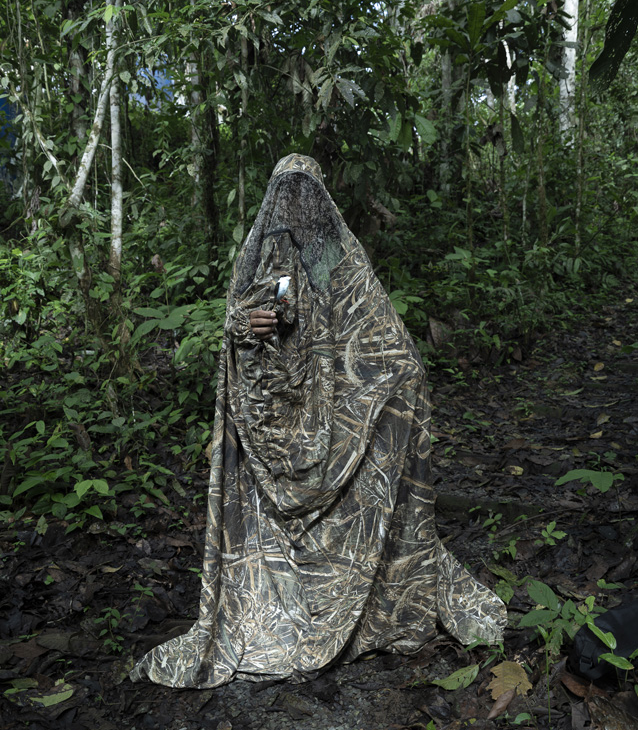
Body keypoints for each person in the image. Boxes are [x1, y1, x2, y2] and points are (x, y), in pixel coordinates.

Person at [130, 153, 506, 689]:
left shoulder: (334, 254)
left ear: (320, 198)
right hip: (275, 420)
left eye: (305, 192)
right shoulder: (259, 255)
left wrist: (399, 381)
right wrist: (243, 325)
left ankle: (362, 590)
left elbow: (375, 330)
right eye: (285, 191)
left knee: (389, 410)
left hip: (335, 415)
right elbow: (239, 344)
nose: (294, 203)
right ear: (272, 198)